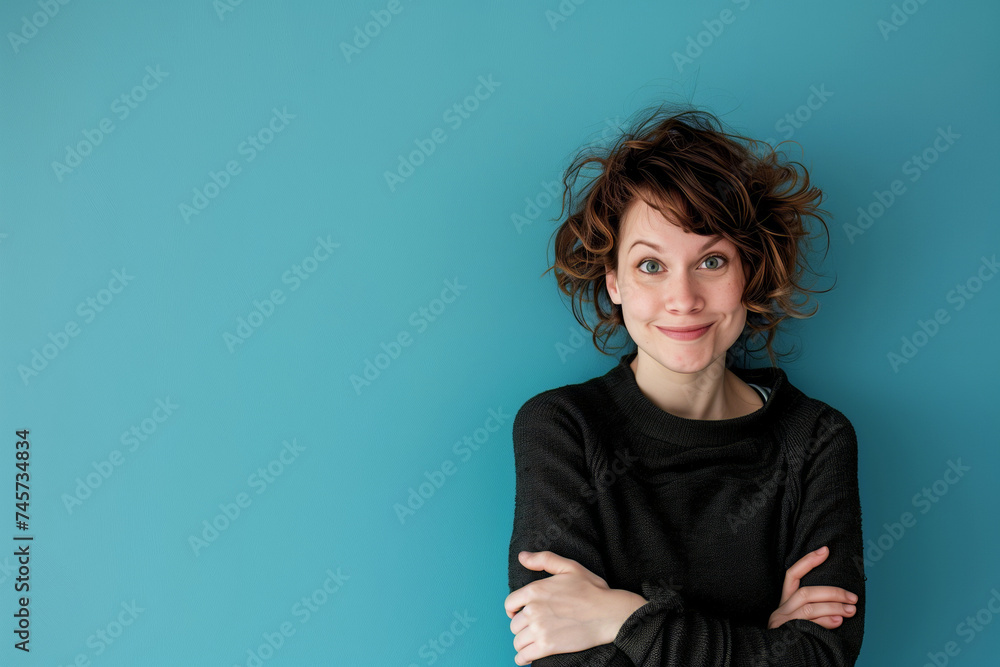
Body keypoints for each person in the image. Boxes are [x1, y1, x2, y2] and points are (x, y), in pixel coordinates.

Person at [503, 104, 866, 666]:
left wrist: (623, 619)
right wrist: (764, 648)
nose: (684, 298)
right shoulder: (562, 429)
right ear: (614, 282)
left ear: (751, 273)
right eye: (651, 265)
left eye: (713, 261)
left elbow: (820, 659)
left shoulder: (816, 440)